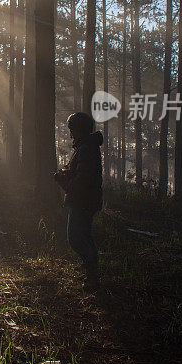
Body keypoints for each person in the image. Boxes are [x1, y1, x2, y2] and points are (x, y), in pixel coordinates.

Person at [54, 112, 104, 289]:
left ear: (80, 130)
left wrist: (63, 181)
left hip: (83, 202)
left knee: (75, 237)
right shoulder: (86, 148)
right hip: (87, 201)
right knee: (84, 236)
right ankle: (91, 271)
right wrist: (68, 173)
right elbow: (82, 174)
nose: (70, 134)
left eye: (72, 130)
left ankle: (92, 274)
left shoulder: (86, 150)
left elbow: (81, 182)